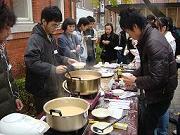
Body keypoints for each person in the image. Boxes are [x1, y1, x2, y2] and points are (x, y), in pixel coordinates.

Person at [119, 8, 177, 135]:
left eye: (128, 31)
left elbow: (158, 78)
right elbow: (147, 67)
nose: (129, 35)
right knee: (146, 124)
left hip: (160, 95)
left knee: (146, 128)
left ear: (135, 27)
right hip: (156, 93)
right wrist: (133, 75)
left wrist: (135, 80)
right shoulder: (148, 36)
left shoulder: (153, 42)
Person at [24, 6, 77, 114]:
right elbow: (31, 62)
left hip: (51, 85)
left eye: (58, 25)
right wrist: (53, 69)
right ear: (44, 21)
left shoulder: (51, 37)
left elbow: (55, 55)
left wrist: (66, 59)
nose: (56, 28)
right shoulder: (35, 39)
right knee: (45, 115)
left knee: (56, 112)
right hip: (40, 88)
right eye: (53, 25)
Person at [0, 1, 23, 119]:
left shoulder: (2, 48)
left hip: (8, 112)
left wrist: (15, 97)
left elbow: (8, 77)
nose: (9, 33)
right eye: (7, 28)